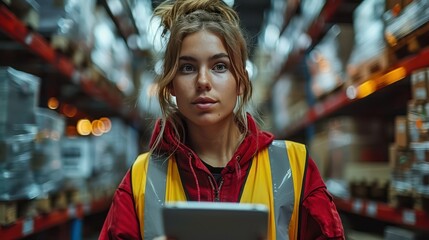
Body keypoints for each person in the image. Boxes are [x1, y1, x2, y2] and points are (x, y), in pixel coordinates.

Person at [99, 0, 345, 239]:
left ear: (240, 81)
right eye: (187, 68)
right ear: (172, 84)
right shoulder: (140, 178)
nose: (203, 81)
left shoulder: (295, 167)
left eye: (219, 66)